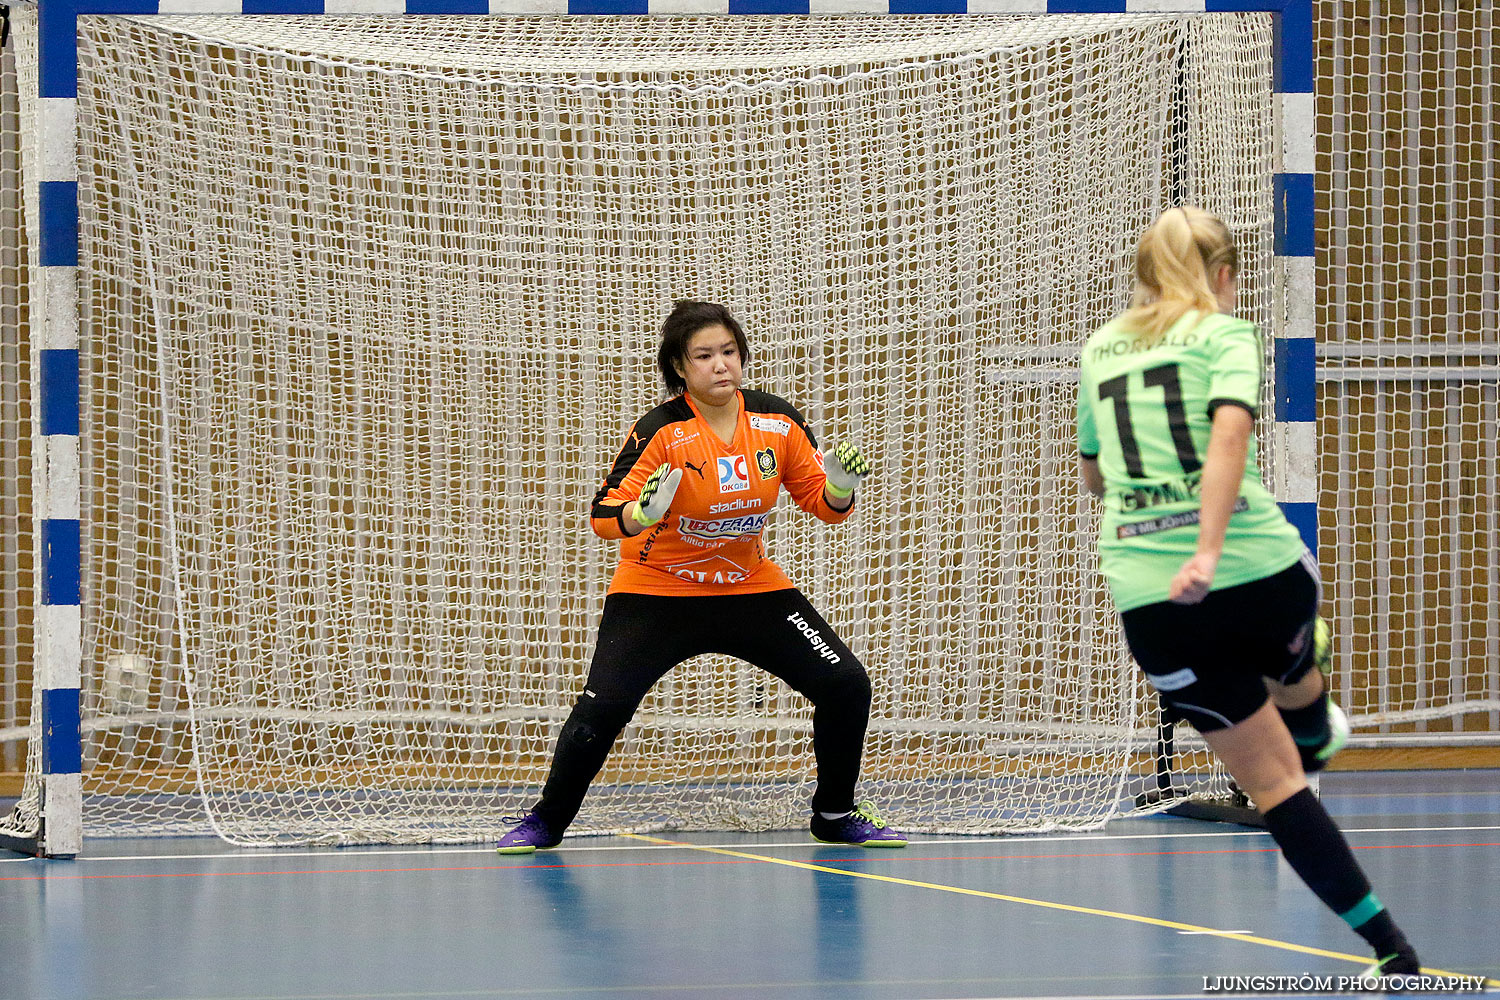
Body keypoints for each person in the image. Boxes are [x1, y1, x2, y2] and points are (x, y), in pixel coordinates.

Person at [1076, 207, 1421, 979]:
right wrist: (1205, 545)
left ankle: (1392, 948)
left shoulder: (1100, 350)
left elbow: (1095, 475)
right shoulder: (1227, 335)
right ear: (1224, 277)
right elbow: (1229, 437)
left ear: (1141, 275)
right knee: (1290, 670)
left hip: (1151, 599)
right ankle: (1304, 676)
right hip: (1257, 573)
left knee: (1274, 788)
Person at [497, 300, 905, 853]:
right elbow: (602, 515)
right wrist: (640, 515)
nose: (721, 366)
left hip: (750, 587)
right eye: (704, 356)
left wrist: (838, 486)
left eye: (729, 353)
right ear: (680, 368)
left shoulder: (778, 421)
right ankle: (547, 820)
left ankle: (833, 815)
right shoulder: (660, 431)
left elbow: (825, 507)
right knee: (604, 708)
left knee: (846, 686)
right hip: (658, 591)